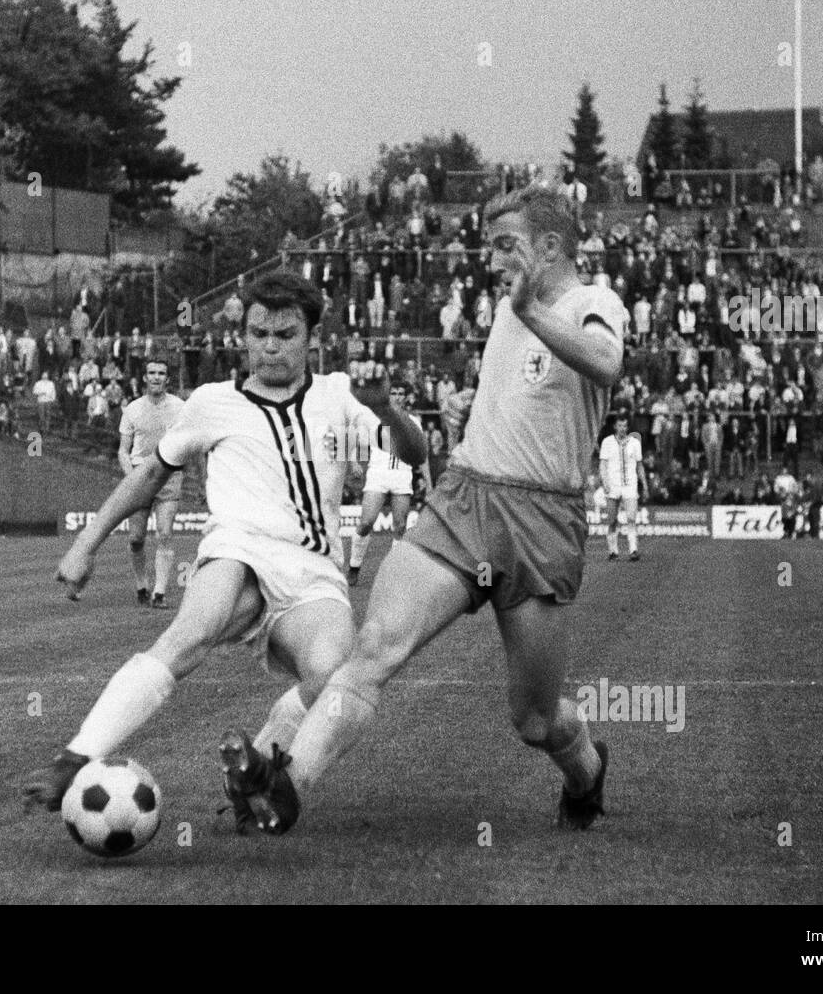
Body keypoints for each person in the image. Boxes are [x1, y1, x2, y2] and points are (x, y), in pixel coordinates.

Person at [221, 184, 626, 835]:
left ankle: (586, 771)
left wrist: (528, 309)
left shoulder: (591, 302)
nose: (491, 261)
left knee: (536, 721)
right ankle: (287, 782)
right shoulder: (505, 308)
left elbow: (606, 363)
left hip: (543, 524)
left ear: (550, 246)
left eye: (506, 246)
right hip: (466, 499)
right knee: (376, 646)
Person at [19, 272, 426, 829]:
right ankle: (76, 758)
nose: (269, 346)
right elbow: (148, 474)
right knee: (192, 631)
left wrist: (388, 411)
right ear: (244, 335)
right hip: (236, 547)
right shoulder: (212, 402)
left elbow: (414, 450)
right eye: (258, 333)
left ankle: (254, 774)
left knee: (332, 678)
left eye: (284, 334)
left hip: (311, 569)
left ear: (311, 337)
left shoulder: (338, 396)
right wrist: (88, 543)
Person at [347, 382, 432, 585]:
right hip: (378, 473)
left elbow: (423, 455)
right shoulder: (375, 420)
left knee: (400, 526)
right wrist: (353, 462)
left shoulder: (414, 421)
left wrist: (429, 484)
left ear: (406, 397)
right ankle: (354, 565)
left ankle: (393, 573)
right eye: (393, 392)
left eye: (401, 393)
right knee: (367, 522)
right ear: (388, 395)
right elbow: (353, 439)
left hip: (402, 474)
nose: (397, 396)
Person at [117, 360, 185, 609]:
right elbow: (123, 451)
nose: (156, 377)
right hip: (140, 476)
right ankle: (141, 584)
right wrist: (131, 477)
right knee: (136, 538)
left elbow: (188, 440)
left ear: (167, 378)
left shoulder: (180, 407)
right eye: (152, 373)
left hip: (169, 475)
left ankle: (159, 592)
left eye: (161, 373)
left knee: (165, 533)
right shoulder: (132, 409)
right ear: (144, 377)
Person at [599, 414, 648, 560]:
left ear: (628, 427)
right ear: (615, 426)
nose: (622, 429)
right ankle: (613, 551)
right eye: (619, 426)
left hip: (630, 485)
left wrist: (644, 485)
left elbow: (640, 465)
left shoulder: (634, 443)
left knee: (631, 517)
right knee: (612, 520)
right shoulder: (607, 442)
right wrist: (605, 481)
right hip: (613, 484)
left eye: (625, 426)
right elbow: (603, 464)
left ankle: (633, 550)